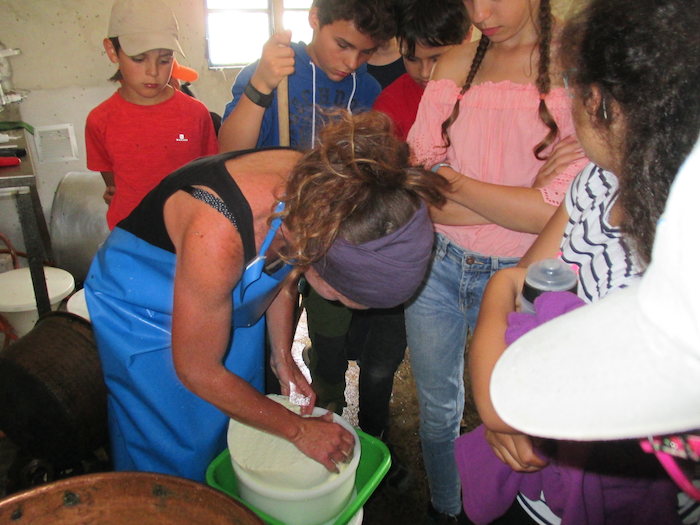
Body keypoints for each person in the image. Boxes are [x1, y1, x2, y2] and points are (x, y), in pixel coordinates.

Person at [84, 110, 448, 483]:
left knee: (238, 415)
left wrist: (281, 356)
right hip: (143, 300)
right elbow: (197, 369)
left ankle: (225, 486)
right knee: (173, 430)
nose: (342, 305)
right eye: (341, 298)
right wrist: (299, 430)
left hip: (221, 293)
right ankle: (168, 495)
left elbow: (280, 276)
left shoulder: (329, 198)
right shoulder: (218, 230)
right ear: (320, 262)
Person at [464, 0, 700, 521]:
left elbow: (504, 393)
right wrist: (500, 405)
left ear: (598, 101)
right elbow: (517, 279)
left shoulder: (674, 262)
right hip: (536, 477)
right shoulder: (596, 181)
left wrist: (499, 403)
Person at [404, 0, 589, 520]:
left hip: (525, 276)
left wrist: (455, 181)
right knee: (436, 409)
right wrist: (522, 196)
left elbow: (551, 217)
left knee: (515, 411)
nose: (480, 13)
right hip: (437, 265)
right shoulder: (454, 64)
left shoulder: (579, 62)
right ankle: (447, 507)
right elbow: (416, 192)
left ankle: (505, 507)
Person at [85, 0, 218, 230]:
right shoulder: (100, 120)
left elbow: (210, 177)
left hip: (189, 230)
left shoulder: (195, 113)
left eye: (164, 60)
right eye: (139, 59)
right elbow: (114, 184)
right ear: (112, 51)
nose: (153, 71)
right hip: (131, 233)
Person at [218, 0, 395, 152]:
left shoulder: (369, 89)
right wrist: (260, 86)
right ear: (315, 18)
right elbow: (229, 152)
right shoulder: (271, 73)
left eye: (366, 52)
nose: (352, 63)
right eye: (342, 45)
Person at [374, 0, 470, 141]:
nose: (424, 73)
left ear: (467, 37)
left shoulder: (494, 92)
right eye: (411, 59)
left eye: (436, 59)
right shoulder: (389, 106)